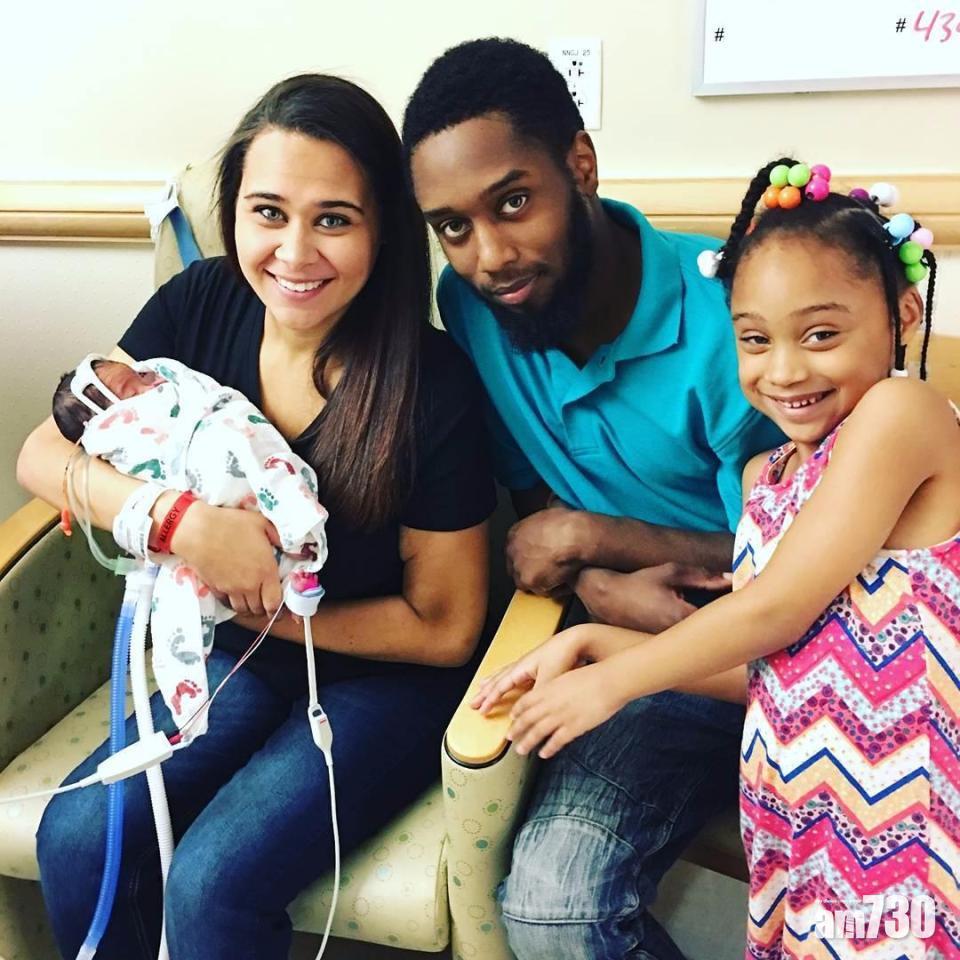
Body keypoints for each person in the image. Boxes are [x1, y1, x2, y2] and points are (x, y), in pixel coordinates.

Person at [16, 73, 495, 960]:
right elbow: (45, 453)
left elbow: (446, 627)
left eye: (334, 219)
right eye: (268, 213)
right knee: (79, 837)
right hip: (240, 658)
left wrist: (264, 609)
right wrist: (182, 525)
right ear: (234, 212)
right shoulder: (199, 304)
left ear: (384, 228)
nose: (294, 252)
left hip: (387, 682)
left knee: (213, 886)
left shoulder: (433, 386)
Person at [474, 160, 960, 958]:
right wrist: (595, 642)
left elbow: (776, 610)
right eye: (755, 339)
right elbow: (769, 667)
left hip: (903, 834)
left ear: (904, 312)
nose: (785, 370)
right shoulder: (765, 478)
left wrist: (616, 681)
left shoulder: (902, 417)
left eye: (821, 334)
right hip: (800, 831)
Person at [403, 38, 783, 958]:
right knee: (552, 907)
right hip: (626, 657)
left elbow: (795, 561)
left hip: (775, 654)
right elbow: (534, 512)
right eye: (452, 227)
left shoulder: (733, 318)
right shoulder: (473, 309)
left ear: (580, 164)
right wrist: (592, 579)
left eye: (513, 202)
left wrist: (596, 537)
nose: (490, 255)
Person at [52, 354, 329, 734]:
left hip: (338, 659)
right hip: (233, 634)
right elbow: (39, 459)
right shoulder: (116, 430)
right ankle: (187, 704)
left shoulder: (185, 391)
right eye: (132, 389)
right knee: (177, 600)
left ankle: (298, 537)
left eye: (143, 377)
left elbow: (227, 422)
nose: (151, 384)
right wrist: (183, 523)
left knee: (237, 439)